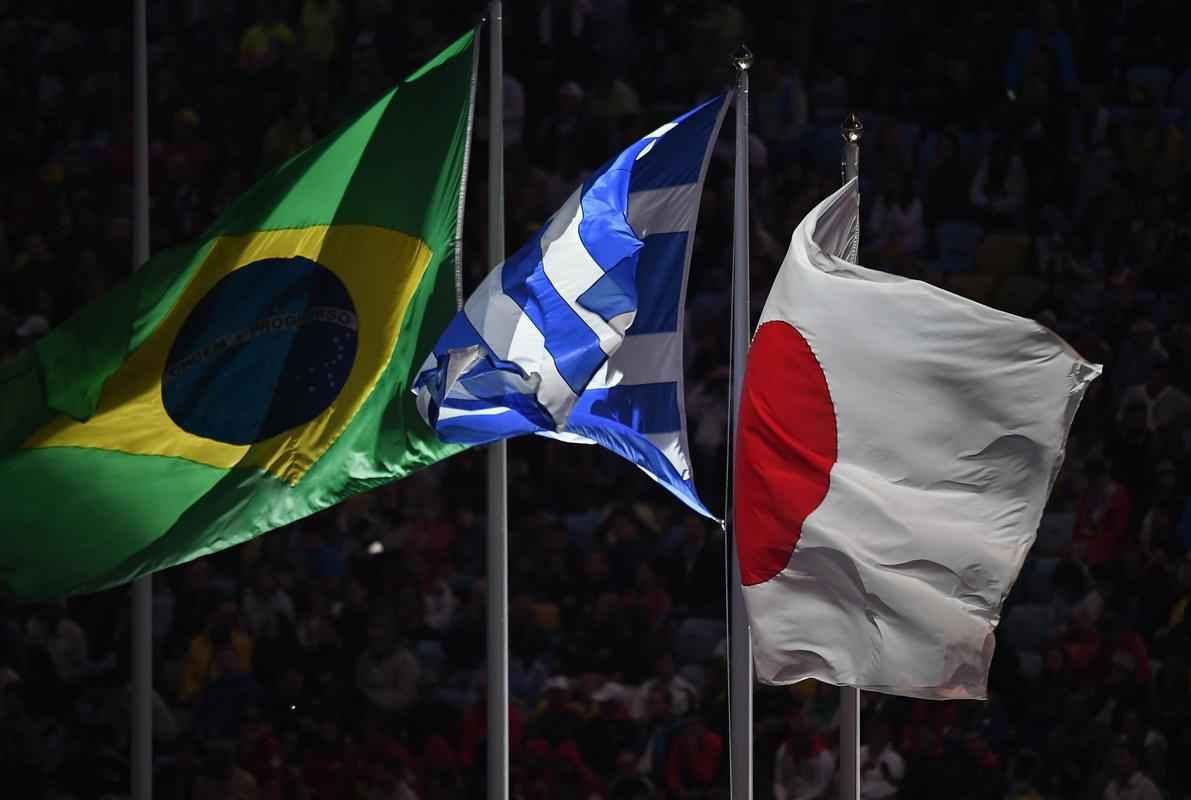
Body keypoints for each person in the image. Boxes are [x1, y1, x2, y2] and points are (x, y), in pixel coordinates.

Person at [858, 715, 904, 799]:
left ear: (887, 735)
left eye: (880, 732)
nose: (876, 736)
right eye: (873, 731)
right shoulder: (859, 752)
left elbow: (895, 788)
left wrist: (886, 774)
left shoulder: (895, 759)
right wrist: (861, 769)